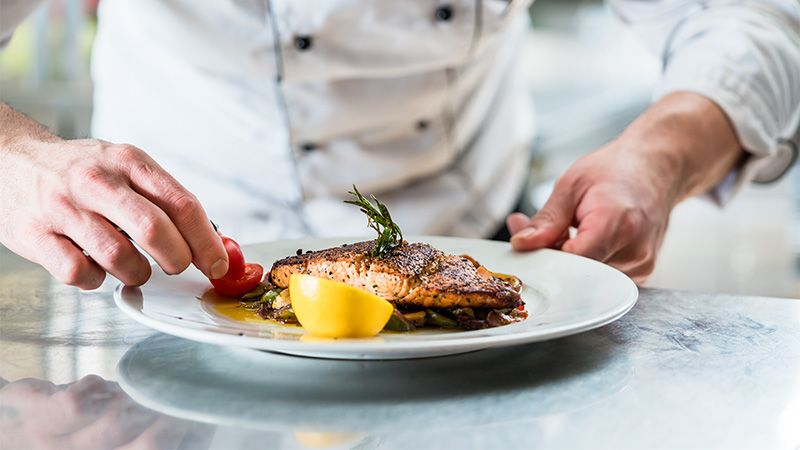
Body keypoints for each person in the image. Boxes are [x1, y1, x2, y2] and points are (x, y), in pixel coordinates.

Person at [1, 0, 798, 288]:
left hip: (477, 263)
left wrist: (658, 157)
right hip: (178, 273)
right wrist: (22, 162)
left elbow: (746, 19)